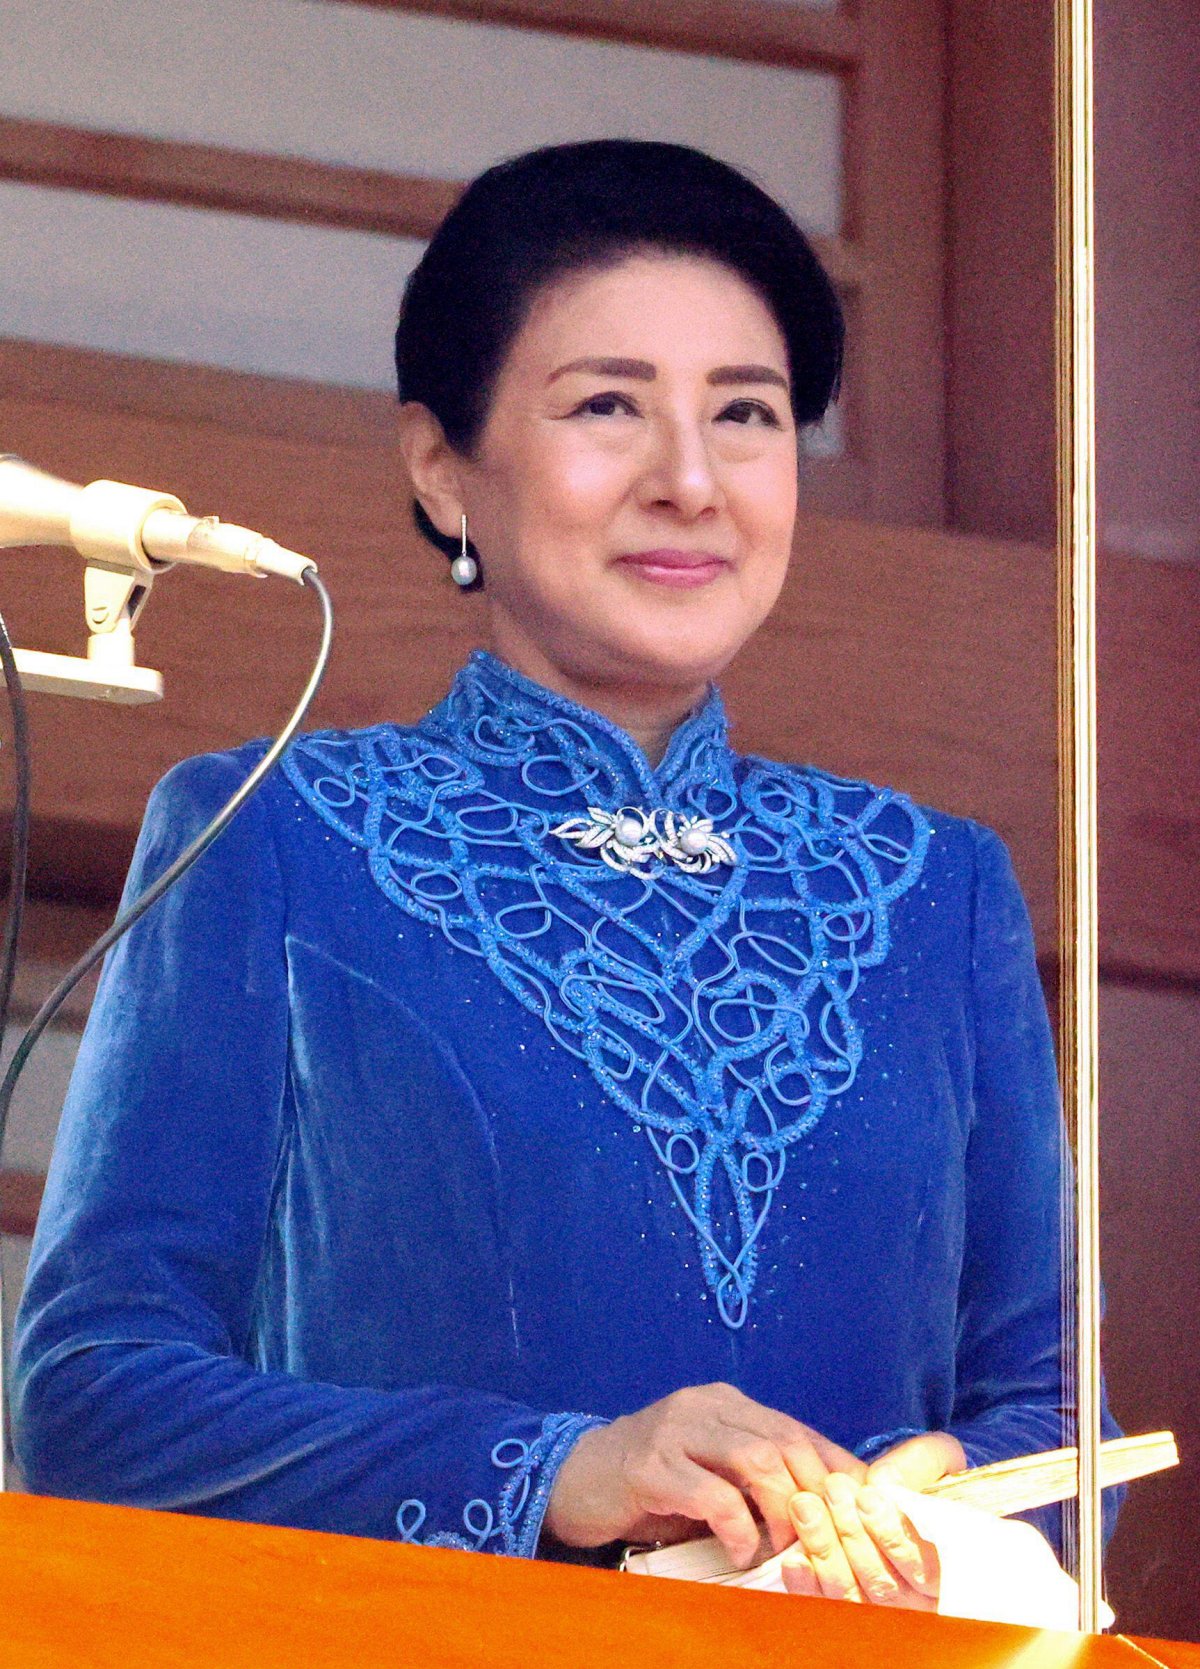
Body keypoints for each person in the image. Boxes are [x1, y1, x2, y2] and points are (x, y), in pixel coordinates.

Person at [11, 139, 1117, 1612]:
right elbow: (90, 1399)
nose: (690, 482)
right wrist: (558, 1472)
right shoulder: (271, 832)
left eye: (747, 414)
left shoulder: (934, 887)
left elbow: (1063, 1416)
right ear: (442, 468)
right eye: (608, 405)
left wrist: (941, 1495)